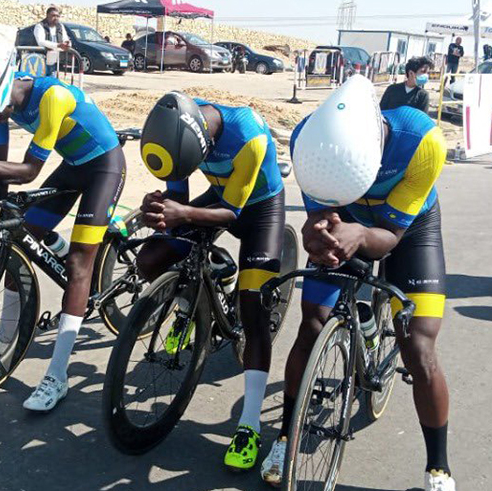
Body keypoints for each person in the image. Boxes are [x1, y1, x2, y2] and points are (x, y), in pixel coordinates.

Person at [260, 76, 453, 491]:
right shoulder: (310, 139)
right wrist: (317, 236)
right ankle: (284, 438)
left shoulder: (423, 141)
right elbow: (317, 219)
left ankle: (438, 466)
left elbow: (388, 241)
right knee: (311, 322)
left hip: (409, 230)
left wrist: (361, 236)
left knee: (417, 348)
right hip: (345, 213)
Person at [0, 41, 126, 411]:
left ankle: (58, 375)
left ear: (4, 93)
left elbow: (28, 172)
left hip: (105, 166)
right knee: (16, 244)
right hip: (73, 165)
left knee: (78, 265)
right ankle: (3, 337)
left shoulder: (51, 97)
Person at [136, 92, 286, 473]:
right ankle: (207, 279)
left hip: (258, 209)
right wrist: (161, 211)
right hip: (219, 194)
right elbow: (177, 198)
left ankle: (248, 425)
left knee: (253, 309)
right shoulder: (177, 125)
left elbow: (230, 214)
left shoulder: (248, 135)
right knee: (151, 258)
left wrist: (182, 212)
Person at [33, 6, 71, 77]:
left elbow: (65, 38)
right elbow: (41, 42)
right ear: (47, 16)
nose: (56, 18)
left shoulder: (60, 26)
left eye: (57, 16)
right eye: (53, 16)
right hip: (40, 62)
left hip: (54, 62)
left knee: (51, 85)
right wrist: (58, 45)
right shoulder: (40, 26)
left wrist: (68, 43)